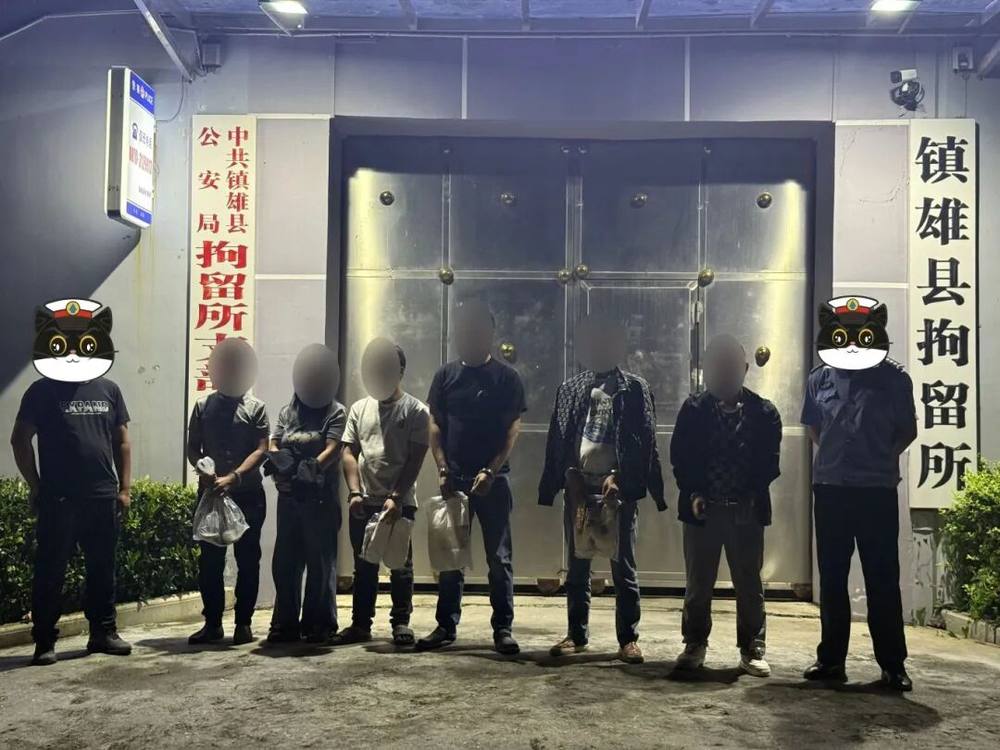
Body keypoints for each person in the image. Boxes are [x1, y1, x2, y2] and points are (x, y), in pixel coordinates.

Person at [800, 299, 918, 691]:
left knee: (882, 577)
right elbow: (813, 426)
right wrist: (836, 458)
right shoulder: (819, 378)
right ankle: (831, 660)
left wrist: (877, 459)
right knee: (832, 577)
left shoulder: (894, 379)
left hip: (875, 491)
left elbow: (907, 431)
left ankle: (893, 665)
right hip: (831, 490)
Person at [10, 299, 133, 666]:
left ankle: (103, 633)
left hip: (102, 496)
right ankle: (44, 641)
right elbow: (20, 440)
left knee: (102, 568)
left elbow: (122, 442)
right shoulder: (41, 391)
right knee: (51, 570)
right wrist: (36, 486)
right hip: (59, 498)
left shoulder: (110, 389)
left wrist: (124, 490)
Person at [538, 314, 666, 665]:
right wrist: (570, 476)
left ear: (619, 346)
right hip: (579, 488)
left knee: (623, 568)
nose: (599, 348)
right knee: (578, 565)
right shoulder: (570, 389)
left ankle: (628, 639)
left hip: (617, 492)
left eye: (606, 341)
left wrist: (622, 477)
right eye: (592, 342)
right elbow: (560, 439)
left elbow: (645, 443)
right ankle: (576, 634)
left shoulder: (636, 389)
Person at [416, 301, 527, 656]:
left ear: (489, 334)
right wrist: (442, 468)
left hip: (494, 483)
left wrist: (491, 470)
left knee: (499, 558)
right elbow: (435, 424)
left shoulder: (506, 378)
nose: (469, 336)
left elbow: (512, 429)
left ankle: (503, 628)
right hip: (454, 480)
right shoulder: (445, 376)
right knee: (451, 557)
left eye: (476, 330)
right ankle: (446, 625)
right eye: (463, 331)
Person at [669, 334, 782, 677]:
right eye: (718, 366)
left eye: (731, 366)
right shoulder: (693, 410)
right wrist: (693, 493)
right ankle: (694, 643)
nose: (725, 373)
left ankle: (752, 646)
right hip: (703, 511)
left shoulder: (764, 412)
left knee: (749, 583)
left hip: (745, 512)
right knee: (698, 582)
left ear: (744, 369)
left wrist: (751, 495)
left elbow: (769, 463)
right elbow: (680, 458)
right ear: (707, 370)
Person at [333, 338, 429, 648]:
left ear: (400, 371)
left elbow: (415, 459)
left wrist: (396, 497)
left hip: (400, 502)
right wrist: (354, 492)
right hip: (364, 500)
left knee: (400, 565)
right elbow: (349, 451)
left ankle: (401, 622)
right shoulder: (360, 409)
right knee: (364, 566)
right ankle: (361, 624)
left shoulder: (416, 410)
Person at [186, 338, 269, 646]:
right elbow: (192, 447)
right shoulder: (202, 406)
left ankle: (243, 623)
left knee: (248, 559)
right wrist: (204, 471)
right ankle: (212, 624)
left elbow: (261, 449)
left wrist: (234, 477)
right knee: (210, 562)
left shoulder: (256, 408)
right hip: (211, 495)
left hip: (247, 495)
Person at [266, 343, 347, 645]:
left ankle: (319, 624)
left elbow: (333, 448)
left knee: (320, 563)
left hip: (320, 499)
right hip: (289, 500)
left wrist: (308, 471)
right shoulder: (288, 411)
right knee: (285, 562)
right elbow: (274, 442)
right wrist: (281, 470)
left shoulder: (336, 412)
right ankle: (284, 623)